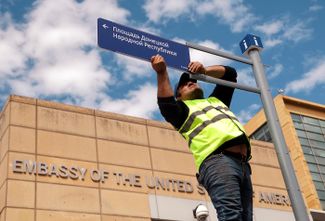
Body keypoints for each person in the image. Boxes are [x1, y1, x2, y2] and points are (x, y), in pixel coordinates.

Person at [151, 54, 253, 221]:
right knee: (231, 215)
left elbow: (230, 74)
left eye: (193, 80)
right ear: (179, 96)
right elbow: (166, 104)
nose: (191, 82)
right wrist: (162, 72)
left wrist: (205, 70)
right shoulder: (182, 110)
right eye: (184, 85)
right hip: (218, 162)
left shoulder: (216, 101)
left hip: (242, 165)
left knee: (246, 218)